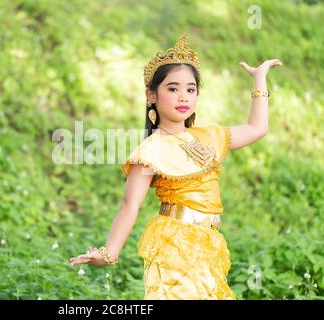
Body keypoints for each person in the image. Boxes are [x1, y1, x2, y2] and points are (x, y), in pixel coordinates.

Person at [68, 34, 282, 299]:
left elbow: (256, 128)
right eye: (173, 88)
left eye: (190, 89)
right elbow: (129, 205)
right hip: (173, 240)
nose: (184, 96)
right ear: (151, 95)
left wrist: (259, 78)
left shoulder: (211, 135)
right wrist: (108, 253)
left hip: (209, 242)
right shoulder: (149, 150)